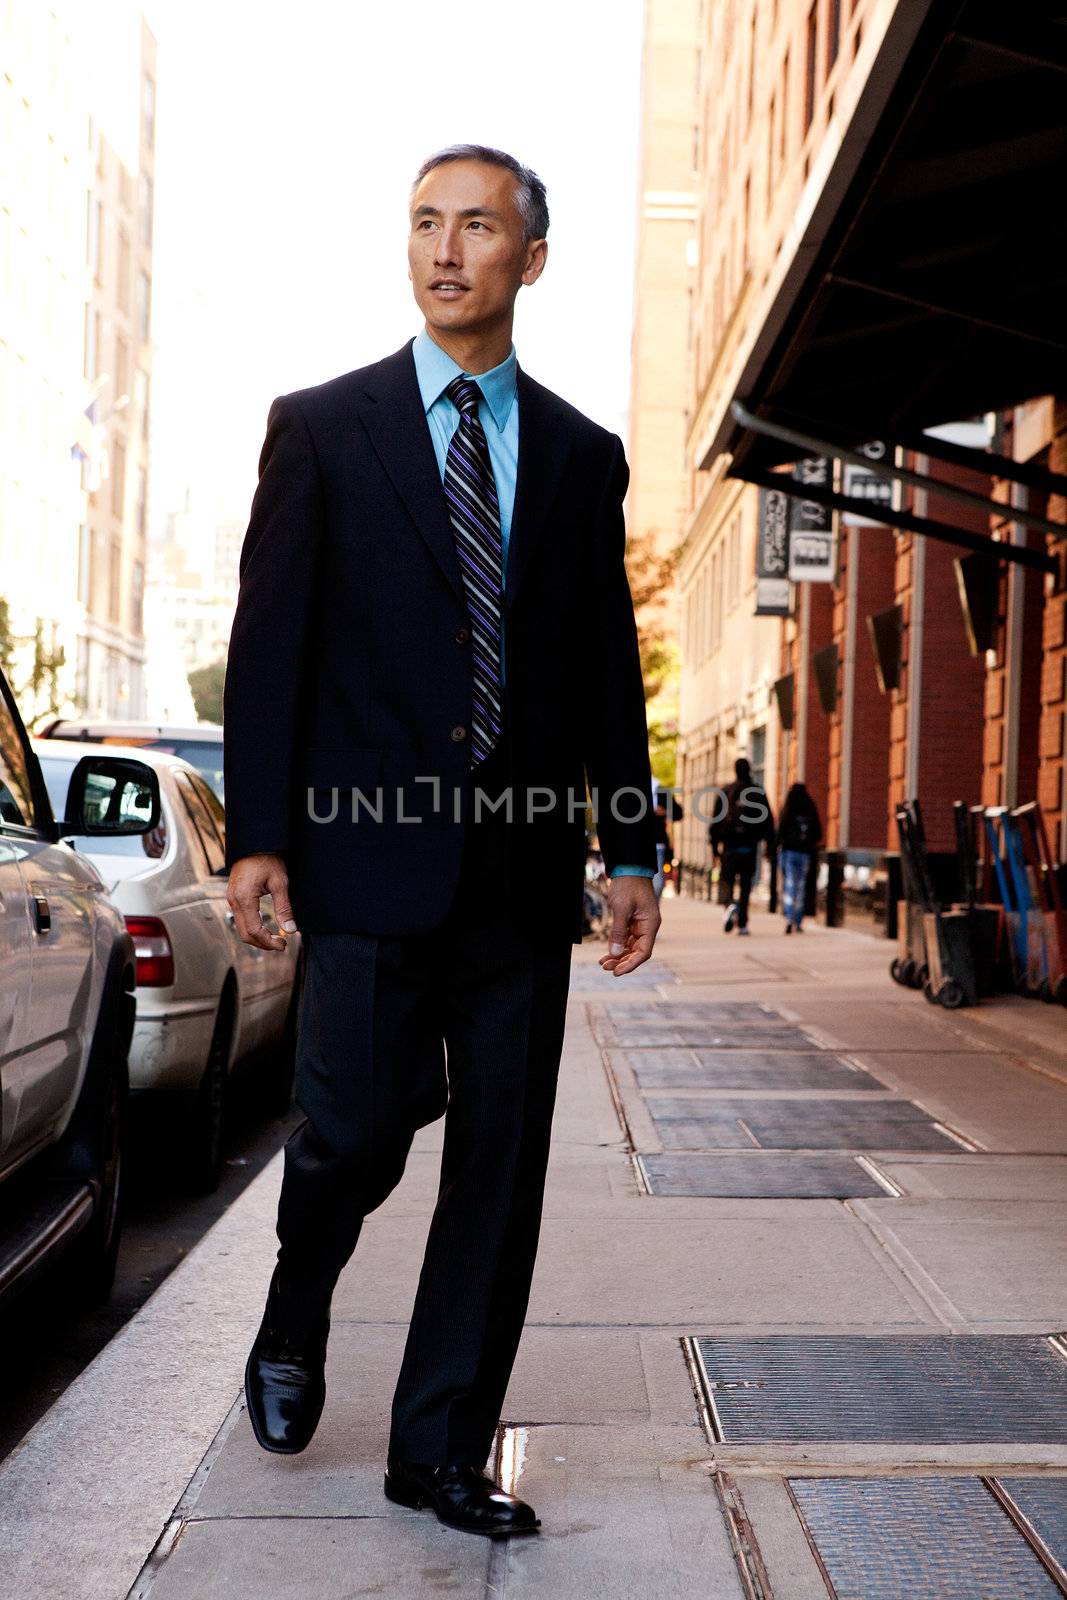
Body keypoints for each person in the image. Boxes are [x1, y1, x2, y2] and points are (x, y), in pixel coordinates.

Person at [222, 145, 661, 1540]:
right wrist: (260, 836)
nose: (444, 247)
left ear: (529, 258)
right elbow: (270, 646)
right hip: (361, 861)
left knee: (500, 1168)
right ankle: (298, 1307)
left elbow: (604, 665)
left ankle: (437, 1451)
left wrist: (632, 845)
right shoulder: (324, 428)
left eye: (476, 225)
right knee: (351, 1134)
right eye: (424, 223)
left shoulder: (584, 455)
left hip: (522, 879)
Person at [707, 757, 775, 936]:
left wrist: (714, 847)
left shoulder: (726, 791)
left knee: (727, 881)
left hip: (729, 848)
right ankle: (743, 923)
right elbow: (768, 822)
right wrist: (770, 847)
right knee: (745, 885)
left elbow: (715, 822)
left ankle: (730, 904)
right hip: (749, 847)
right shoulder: (757, 792)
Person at [776, 781, 823, 933]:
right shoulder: (810, 807)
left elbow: (780, 830)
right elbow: (818, 833)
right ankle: (798, 919)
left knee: (790, 885)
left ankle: (789, 916)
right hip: (805, 854)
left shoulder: (789, 808)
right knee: (801, 886)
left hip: (789, 852)